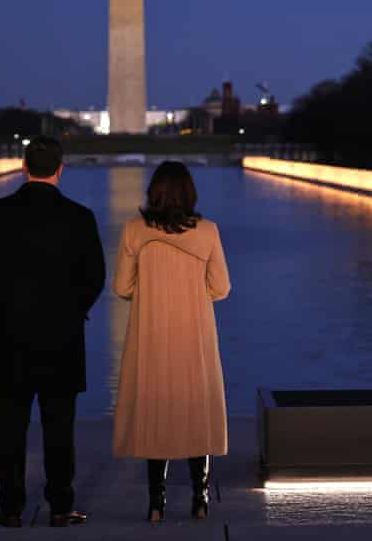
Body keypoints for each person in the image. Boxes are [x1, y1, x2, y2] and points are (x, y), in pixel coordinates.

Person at [0, 136, 105, 528]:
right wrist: (71, 311)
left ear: (23, 167)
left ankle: (11, 507)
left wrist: (5, 307)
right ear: (60, 170)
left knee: (10, 429)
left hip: (7, 337)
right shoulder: (80, 217)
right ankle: (61, 506)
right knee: (59, 429)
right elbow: (94, 278)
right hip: (62, 339)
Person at [112, 161, 231, 523]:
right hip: (194, 335)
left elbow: (121, 288)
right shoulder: (208, 231)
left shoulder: (134, 231)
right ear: (190, 193)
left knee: (155, 414)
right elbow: (221, 288)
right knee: (197, 414)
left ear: (154, 192)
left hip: (151, 334)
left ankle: (156, 503)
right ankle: (200, 498)